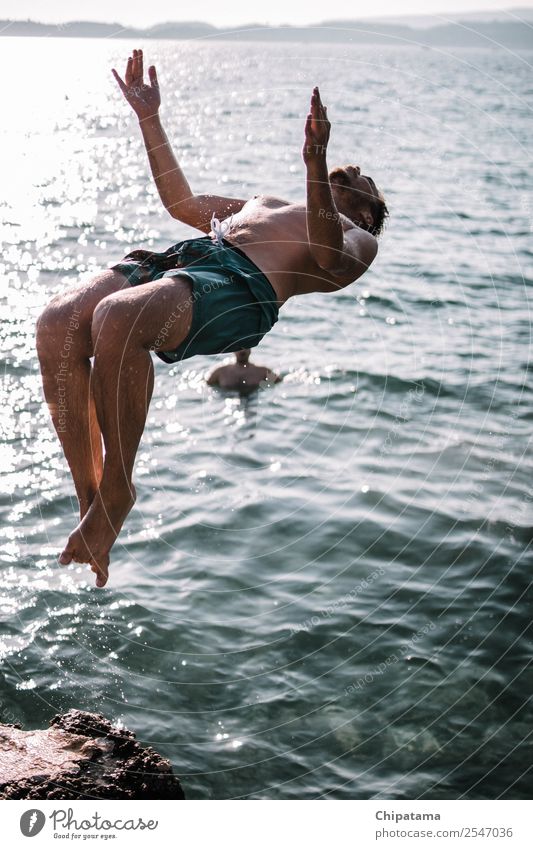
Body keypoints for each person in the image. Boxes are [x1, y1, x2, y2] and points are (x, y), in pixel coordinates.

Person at [36, 49, 388, 588]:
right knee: (57, 325)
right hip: (190, 256)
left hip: (242, 286)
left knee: (117, 318)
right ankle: (93, 503)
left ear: (365, 212)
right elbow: (181, 202)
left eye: (365, 182)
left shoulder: (359, 237)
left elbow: (323, 254)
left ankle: (120, 490)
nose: (358, 170)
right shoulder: (266, 201)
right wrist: (149, 117)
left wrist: (316, 162)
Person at [207, 349, 281, 393]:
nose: (242, 350)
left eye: (246, 347)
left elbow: (280, 382)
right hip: (228, 401)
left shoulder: (262, 371)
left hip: (253, 399)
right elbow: (207, 385)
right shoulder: (220, 372)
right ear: (233, 350)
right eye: (239, 348)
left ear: (250, 349)